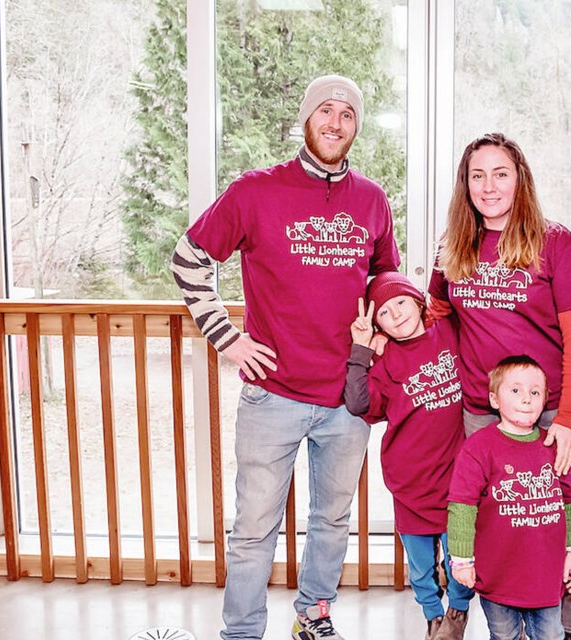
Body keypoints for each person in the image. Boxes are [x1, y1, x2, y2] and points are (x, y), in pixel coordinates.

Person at [170, 75, 400, 640]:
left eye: (347, 114)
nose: (335, 122)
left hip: (347, 398)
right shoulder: (255, 191)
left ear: (356, 127)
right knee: (253, 529)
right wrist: (226, 337)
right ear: (306, 119)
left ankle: (313, 618)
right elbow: (188, 258)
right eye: (325, 110)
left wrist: (385, 332)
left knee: (331, 521)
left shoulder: (372, 200)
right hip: (271, 394)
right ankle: (243, 631)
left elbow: (385, 280)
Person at [427, 133, 571, 640]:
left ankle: (565, 628)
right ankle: (490, 622)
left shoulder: (556, 242)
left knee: (555, 523)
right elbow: (437, 312)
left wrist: (566, 419)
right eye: (478, 175)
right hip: (483, 412)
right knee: (492, 526)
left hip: (548, 416)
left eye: (500, 173)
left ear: (519, 179)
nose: (489, 185)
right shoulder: (453, 247)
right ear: (466, 185)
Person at [344, 271, 473, 640]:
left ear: (418, 302)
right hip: (410, 482)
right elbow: (357, 403)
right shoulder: (385, 362)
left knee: (460, 559)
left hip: (457, 482)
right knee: (420, 569)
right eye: (384, 312)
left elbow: (445, 282)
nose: (396, 314)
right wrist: (362, 349)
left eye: (401, 302)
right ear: (377, 324)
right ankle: (433, 619)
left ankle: (457, 613)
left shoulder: (448, 332)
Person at [447, 356, 571, 640]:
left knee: (550, 635)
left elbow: (570, 501)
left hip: (546, 577)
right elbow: (462, 506)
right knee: (503, 636)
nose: (526, 399)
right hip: (498, 576)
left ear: (545, 400)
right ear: (494, 399)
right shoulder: (478, 448)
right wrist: (461, 560)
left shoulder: (552, 446)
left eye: (535, 392)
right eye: (516, 390)